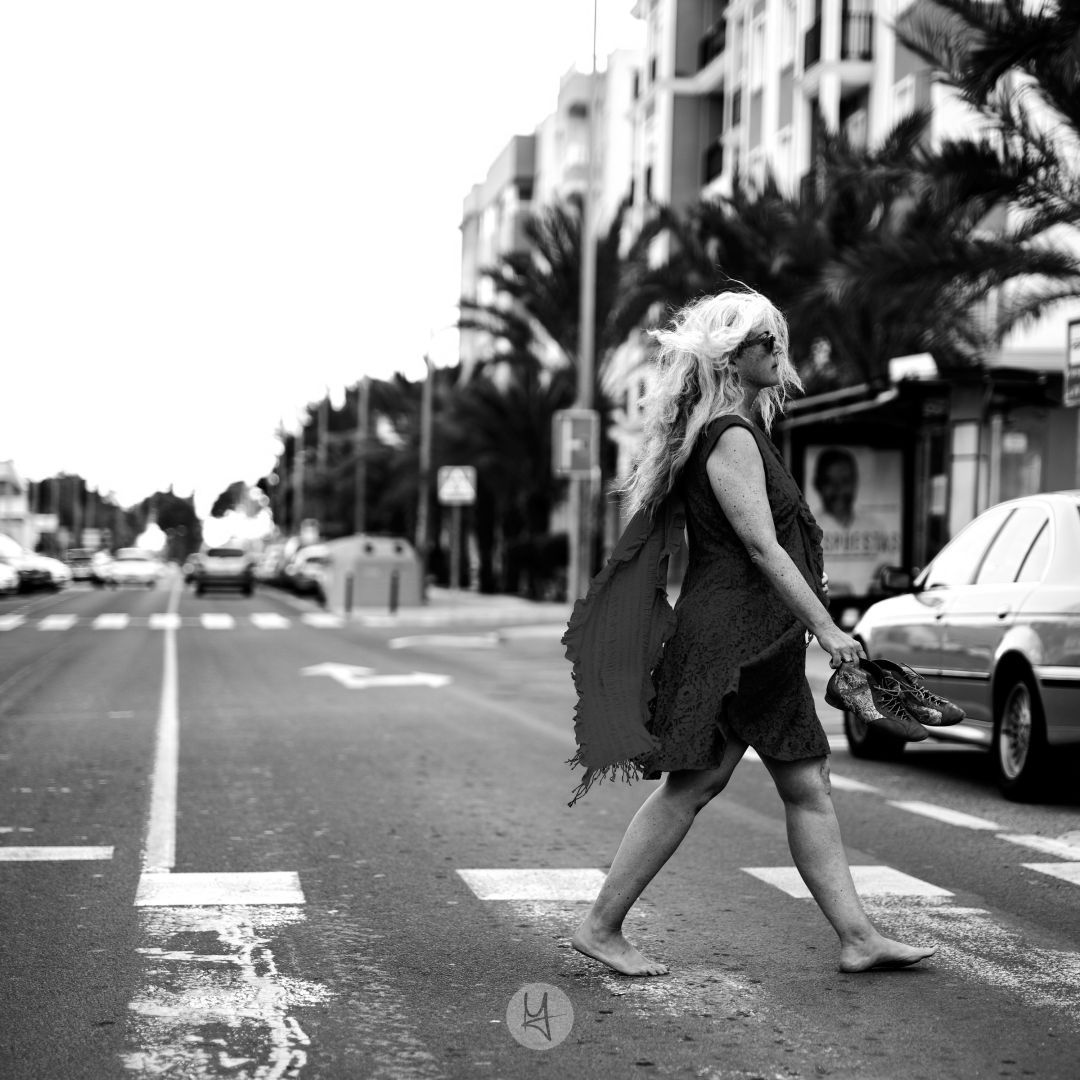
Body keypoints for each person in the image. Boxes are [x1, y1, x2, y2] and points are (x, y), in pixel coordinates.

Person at [568, 290, 936, 977]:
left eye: (778, 340)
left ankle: (857, 937)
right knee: (697, 786)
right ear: (731, 359)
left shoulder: (737, 429)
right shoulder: (731, 436)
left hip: (755, 640)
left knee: (804, 784)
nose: (780, 353)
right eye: (766, 343)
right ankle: (599, 926)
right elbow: (766, 550)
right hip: (733, 641)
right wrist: (829, 629)